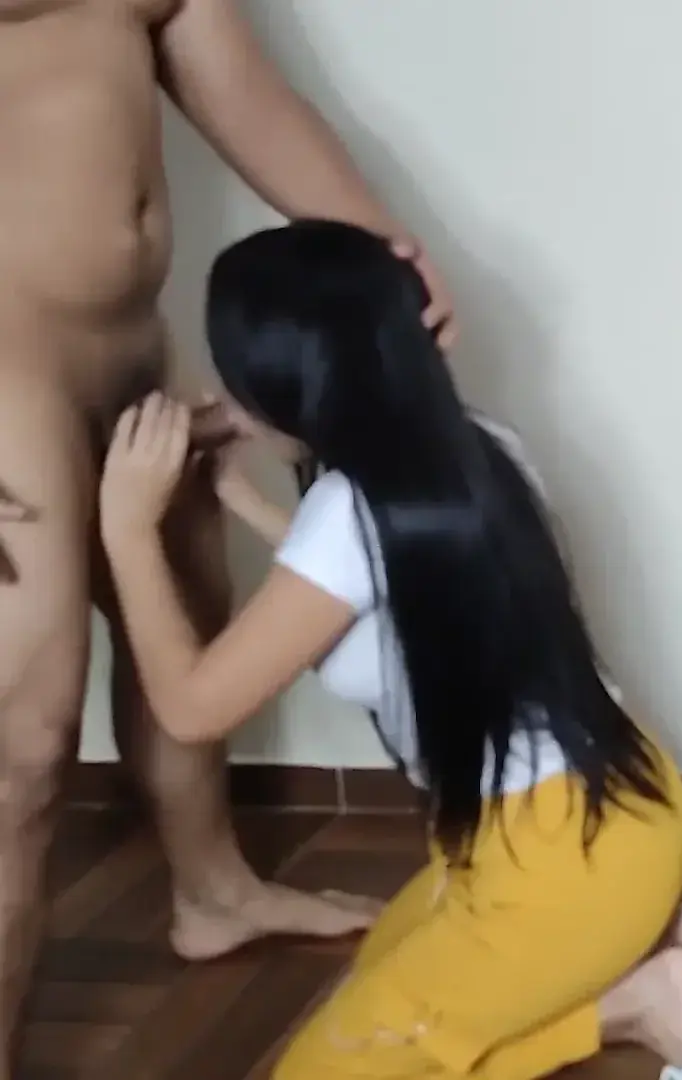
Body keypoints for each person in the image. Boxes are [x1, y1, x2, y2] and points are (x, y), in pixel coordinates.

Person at [96, 219, 682, 1078]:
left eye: (237, 383)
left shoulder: (345, 516)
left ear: (292, 388)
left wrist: (127, 527)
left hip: (556, 866)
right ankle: (658, 990)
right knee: (384, 969)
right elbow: (356, 591)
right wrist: (237, 495)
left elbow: (191, 707)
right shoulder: (474, 448)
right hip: (621, 806)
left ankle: (641, 1001)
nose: (224, 400)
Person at [0, 0, 462, 1067]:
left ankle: (212, 891)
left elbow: (245, 92)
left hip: (126, 342)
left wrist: (384, 251)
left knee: (186, 612)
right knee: (24, 739)